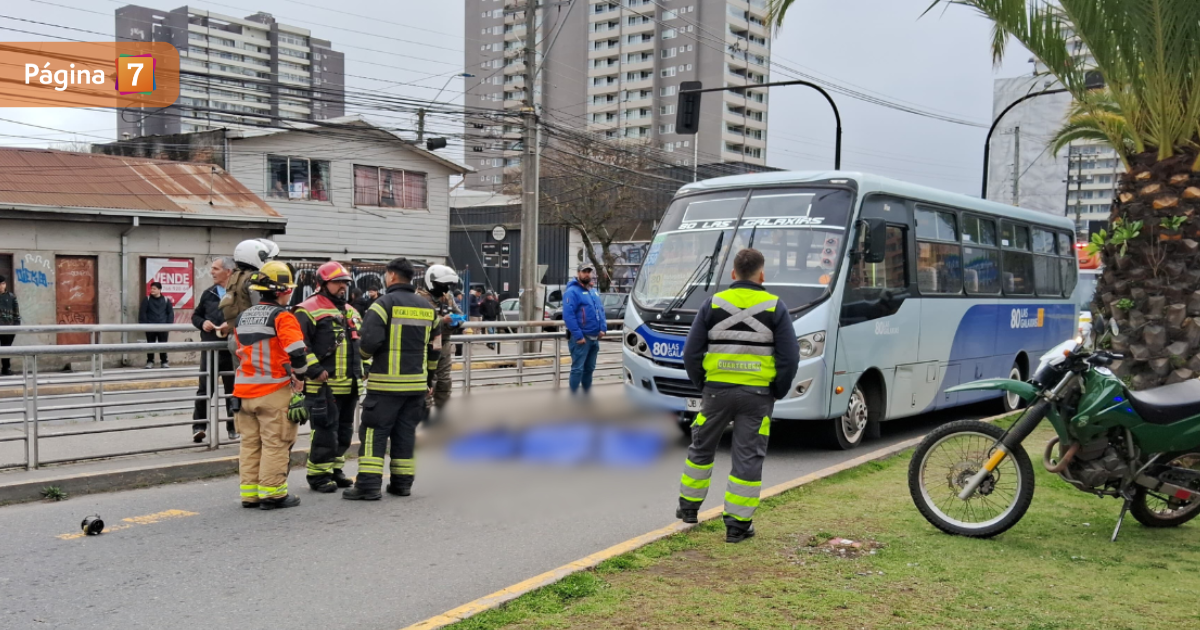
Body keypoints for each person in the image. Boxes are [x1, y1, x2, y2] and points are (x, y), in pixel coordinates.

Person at [676, 248, 799, 543]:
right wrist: (777, 390)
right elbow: (789, 357)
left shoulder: (712, 303)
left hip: (716, 393)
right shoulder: (774, 306)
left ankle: (689, 509)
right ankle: (737, 527)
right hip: (757, 396)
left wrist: (702, 384)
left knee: (701, 449)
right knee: (747, 457)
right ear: (762, 274)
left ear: (733, 274)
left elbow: (691, 352)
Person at [343, 257, 441, 501]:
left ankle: (368, 486)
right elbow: (435, 349)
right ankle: (402, 484)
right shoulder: (429, 309)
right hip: (416, 387)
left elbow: (369, 342)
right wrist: (428, 379)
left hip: (385, 387)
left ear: (392, 276)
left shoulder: (382, 305)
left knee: (373, 433)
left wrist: (364, 360)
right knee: (405, 434)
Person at [232, 261, 315, 510]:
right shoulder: (282, 317)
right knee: (276, 442)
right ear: (283, 291)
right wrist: (300, 377)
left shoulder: (243, 316)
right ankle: (272, 494)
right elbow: (297, 351)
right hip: (273, 390)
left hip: (243, 391)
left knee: (249, 444)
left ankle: (250, 494)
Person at [295, 261, 363, 493]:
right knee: (324, 432)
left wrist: (363, 370)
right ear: (322, 284)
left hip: (350, 384)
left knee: (343, 433)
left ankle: (335, 469)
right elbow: (299, 345)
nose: (342, 287)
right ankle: (318, 475)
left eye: (345, 283)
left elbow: (360, 344)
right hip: (322, 386)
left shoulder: (351, 311)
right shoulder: (307, 308)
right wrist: (314, 370)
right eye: (337, 283)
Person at [191, 257, 238, 443]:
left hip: (231, 348)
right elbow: (196, 316)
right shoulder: (208, 293)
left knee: (232, 390)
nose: (212, 272)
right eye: (211, 268)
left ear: (228, 271)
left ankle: (232, 427)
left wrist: (231, 325)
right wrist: (204, 323)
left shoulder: (237, 294)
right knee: (204, 389)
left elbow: (244, 317)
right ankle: (199, 427)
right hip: (210, 350)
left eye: (216, 269)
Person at [416, 265, 460, 420]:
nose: (446, 288)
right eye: (443, 284)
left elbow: (458, 313)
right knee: (426, 380)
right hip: (426, 345)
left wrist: (457, 321)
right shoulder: (419, 299)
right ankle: (424, 416)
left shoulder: (447, 297)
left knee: (444, 381)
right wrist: (443, 320)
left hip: (444, 343)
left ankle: (442, 415)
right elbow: (422, 321)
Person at [562, 263, 607, 395]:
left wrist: (603, 328)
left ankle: (586, 396)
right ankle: (573, 397)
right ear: (578, 273)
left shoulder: (593, 291)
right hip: (581, 339)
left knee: (590, 369)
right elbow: (568, 316)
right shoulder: (572, 292)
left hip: (594, 338)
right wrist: (578, 335)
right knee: (577, 369)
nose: (587, 274)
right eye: (584, 271)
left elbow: (601, 310)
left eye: (589, 271)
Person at [220, 238, 277, 329]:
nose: (265, 261)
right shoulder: (254, 278)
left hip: (237, 332)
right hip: (252, 333)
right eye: (263, 258)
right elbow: (260, 307)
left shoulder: (235, 276)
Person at [139, 281, 174, 369]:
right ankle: (150, 361)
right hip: (150, 327)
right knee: (150, 345)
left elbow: (170, 313)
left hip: (163, 327)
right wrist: (145, 324)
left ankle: (164, 362)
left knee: (163, 345)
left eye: (154, 289)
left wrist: (168, 325)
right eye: (151, 288)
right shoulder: (147, 300)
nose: (152, 290)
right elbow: (142, 313)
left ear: (159, 290)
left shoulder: (166, 300)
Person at [0, 275, 19, 376]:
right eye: (0, 284)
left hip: (8, 327)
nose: (2, 286)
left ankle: (6, 368)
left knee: (6, 348)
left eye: (3, 283)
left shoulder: (11, 296)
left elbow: (16, 312)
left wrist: (16, 325)